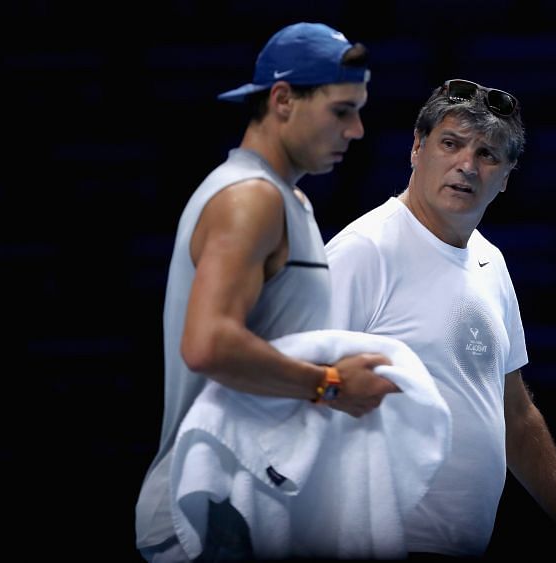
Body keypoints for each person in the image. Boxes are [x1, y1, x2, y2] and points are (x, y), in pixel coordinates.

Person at [325, 78, 556, 560]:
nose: (467, 165)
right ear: (417, 148)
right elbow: (294, 386)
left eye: (488, 155)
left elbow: (516, 414)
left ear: (506, 177)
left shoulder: (492, 263)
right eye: (451, 144)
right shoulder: (363, 251)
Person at [134, 22, 400, 562]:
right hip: (213, 508)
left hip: (252, 499)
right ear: (282, 100)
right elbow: (208, 344)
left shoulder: (288, 200)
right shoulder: (250, 198)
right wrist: (329, 384)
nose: (358, 131)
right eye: (342, 110)